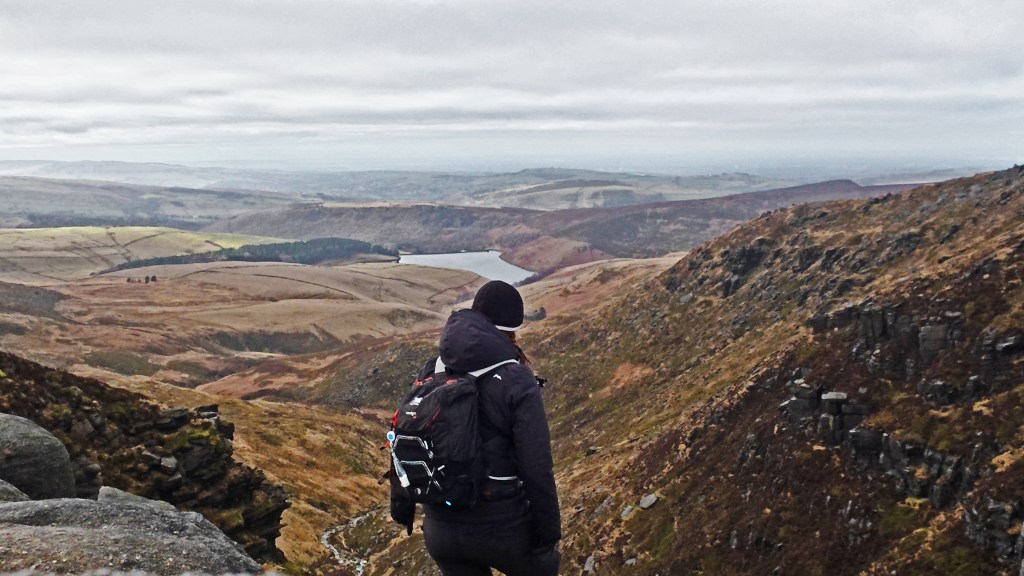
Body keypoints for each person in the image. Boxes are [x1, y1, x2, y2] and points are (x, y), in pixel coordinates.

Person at [390, 280, 561, 576]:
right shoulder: (516, 378)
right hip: (503, 526)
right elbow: (536, 466)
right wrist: (548, 535)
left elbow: (407, 430)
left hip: (440, 527)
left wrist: (402, 510)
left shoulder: (434, 369)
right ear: (512, 329)